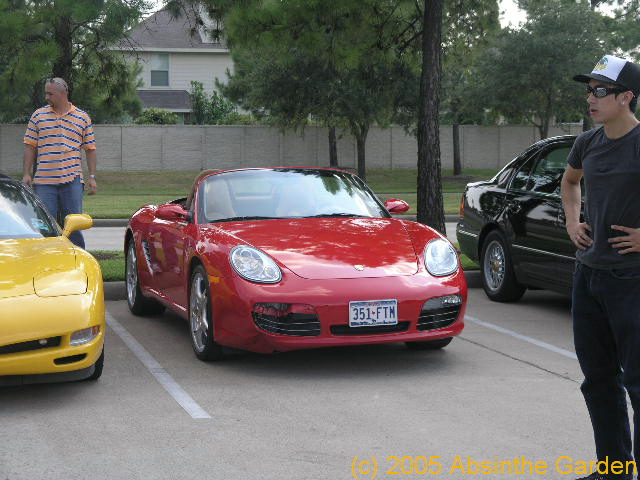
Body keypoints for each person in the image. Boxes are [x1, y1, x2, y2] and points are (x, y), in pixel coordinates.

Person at [561, 54, 640, 480]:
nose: (590, 98)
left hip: (633, 279)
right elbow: (570, 182)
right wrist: (573, 220)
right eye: (589, 89)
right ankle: (614, 471)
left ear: (627, 97)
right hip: (588, 276)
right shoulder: (586, 143)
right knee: (598, 381)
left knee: (639, 385)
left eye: (601, 90)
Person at [22, 77, 97, 249]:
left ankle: (77, 260)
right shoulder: (38, 116)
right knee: (45, 226)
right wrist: (26, 173)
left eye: (50, 93)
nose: (46, 97)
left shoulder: (82, 117)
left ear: (63, 94)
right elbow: (30, 146)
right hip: (44, 182)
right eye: (46, 93)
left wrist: (92, 176)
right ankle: (46, 260)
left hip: (72, 180)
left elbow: (90, 149)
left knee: (74, 224)